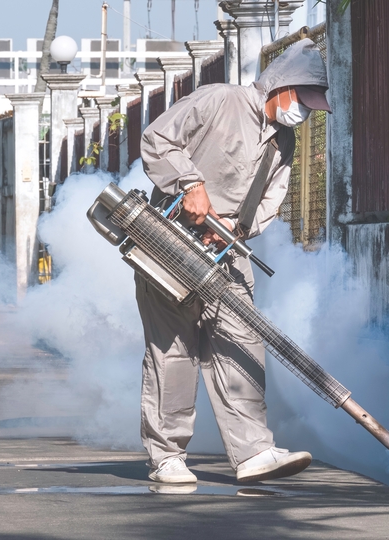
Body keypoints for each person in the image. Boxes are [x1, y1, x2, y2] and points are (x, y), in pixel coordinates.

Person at [137, 39, 332, 484]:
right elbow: (156, 139)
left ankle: (253, 452)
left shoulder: (284, 140)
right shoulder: (219, 100)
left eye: (310, 106)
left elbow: (270, 201)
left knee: (242, 344)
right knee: (173, 349)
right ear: (280, 86)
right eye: (302, 101)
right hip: (169, 241)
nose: (303, 112)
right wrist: (190, 184)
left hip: (226, 251)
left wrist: (236, 228)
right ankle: (167, 456)